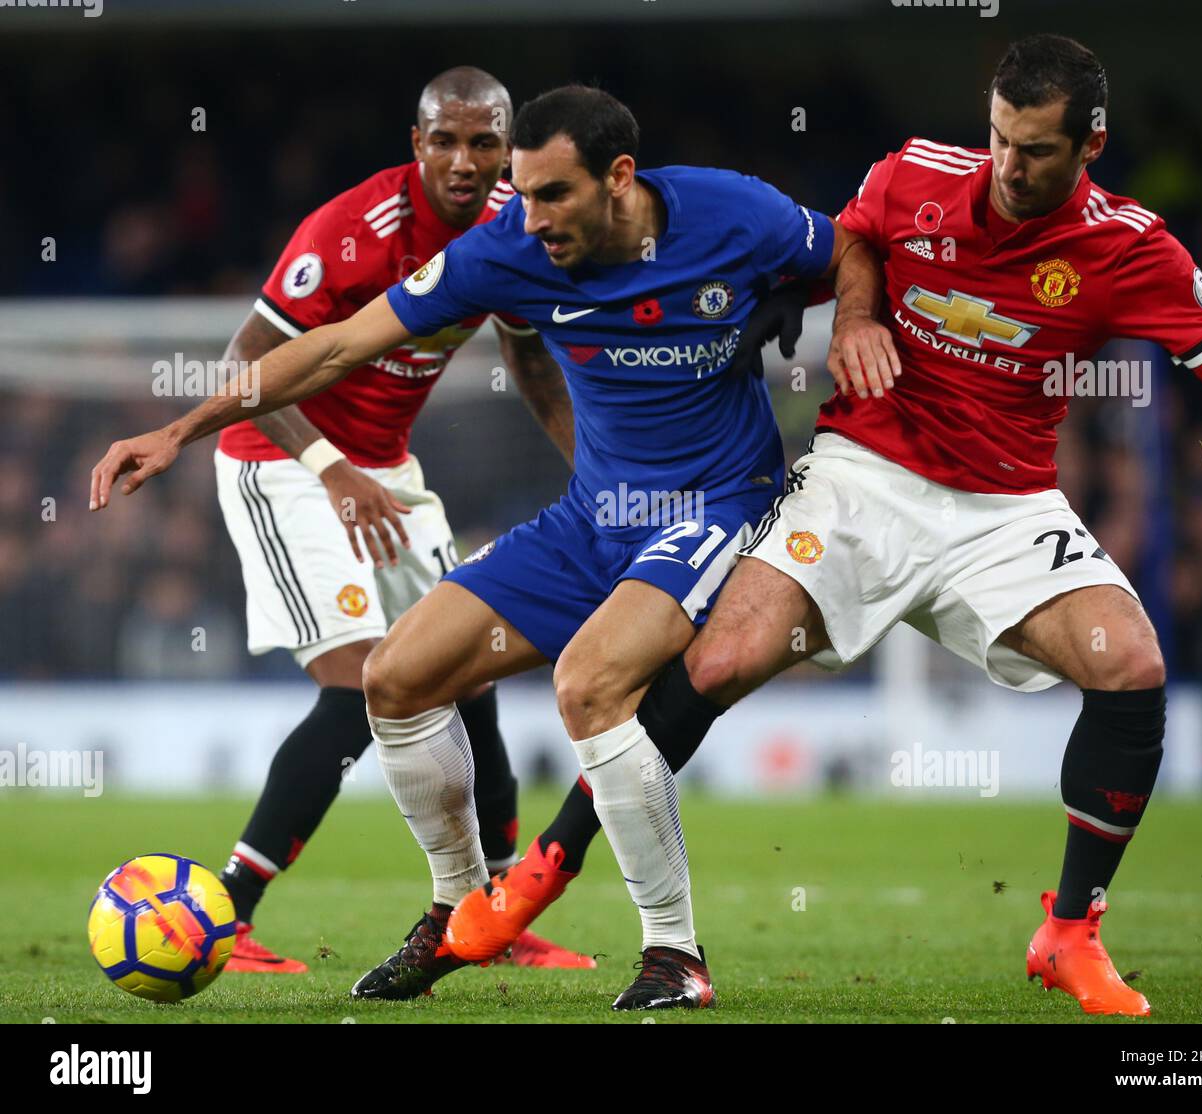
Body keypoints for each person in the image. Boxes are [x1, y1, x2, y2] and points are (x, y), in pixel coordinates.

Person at [449, 34, 1202, 1016]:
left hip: (1003, 506)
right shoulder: (915, 176)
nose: (1008, 169)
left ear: (1090, 146)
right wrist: (854, 318)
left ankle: (1069, 930)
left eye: (1035, 152)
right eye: (998, 140)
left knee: (1130, 662)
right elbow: (854, 234)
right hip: (862, 478)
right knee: (720, 660)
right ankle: (547, 865)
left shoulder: (1132, 247)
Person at [88, 84, 855, 1009]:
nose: (528, 219)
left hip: (716, 503)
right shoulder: (508, 248)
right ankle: (459, 910)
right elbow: (335, 346)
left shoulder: (732, 212)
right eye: (521, 194)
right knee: (396, 675)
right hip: (594, 516)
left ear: (620, 179)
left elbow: (855, 245)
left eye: (551, 196)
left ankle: (673, 955)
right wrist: (185, 428)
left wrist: (838, 312)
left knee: (588, 683)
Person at [201, 66, 587, 975]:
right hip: (287, 464)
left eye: (484, 142)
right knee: (358, 686)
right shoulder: (353, 230)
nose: (464, 160)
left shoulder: (510, 224)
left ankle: (494, 916)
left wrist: (599, 472)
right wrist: (333, 472)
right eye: (444, 141)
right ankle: (226, 912)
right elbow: (244, 360)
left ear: (508, 150)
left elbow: (529, 359)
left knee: (474, 672)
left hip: (388, 474)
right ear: (416, 145)